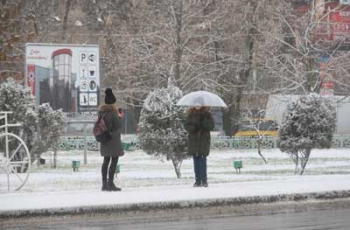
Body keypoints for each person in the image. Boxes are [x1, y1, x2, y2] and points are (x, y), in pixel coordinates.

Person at [98, 88, 124, 191]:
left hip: (104, 138)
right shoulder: (113, 113)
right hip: (113, 140)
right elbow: (118, 126)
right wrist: (120, 117)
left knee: (106, 160)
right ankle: (110, 184)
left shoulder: (101, 112)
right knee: (114, 160)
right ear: (113, 102)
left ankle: (104, 184)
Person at [184, 106, 214, 187]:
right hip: (194, 141)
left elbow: (211, 126)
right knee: (196, 161)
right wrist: (194, 127)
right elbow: (186, 125)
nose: (197, 105)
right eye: (196, 104)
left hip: (203, 141)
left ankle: (204, 181)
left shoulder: (207, 114)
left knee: (202, 160)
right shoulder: (191, 114)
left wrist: (203, 121)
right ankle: (197, 181)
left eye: (199, 104)